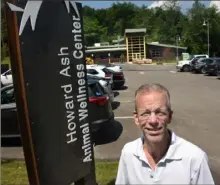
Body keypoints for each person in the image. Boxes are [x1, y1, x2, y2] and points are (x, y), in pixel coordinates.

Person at [115, 83, 215, 184]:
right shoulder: (129, 153)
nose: (153, 120)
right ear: (136, 118)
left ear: (170, 116)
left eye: (160, 112)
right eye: (146, 113)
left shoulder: (194, 159)